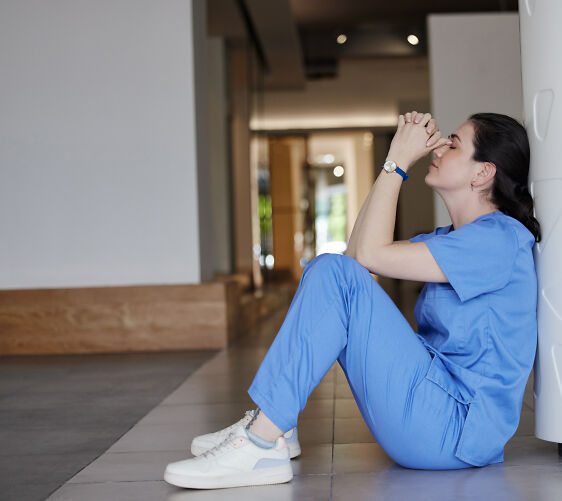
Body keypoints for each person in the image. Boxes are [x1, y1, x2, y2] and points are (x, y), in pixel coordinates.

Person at [163, 111, 541, 490]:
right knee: (332, 271)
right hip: (436, 412)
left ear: (483, 173)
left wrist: (397, 162)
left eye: (454, 143)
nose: (440, 146)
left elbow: (365, 258)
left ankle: (262, 441)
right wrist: (394, 162)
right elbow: (357, 258)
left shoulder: (499, 239)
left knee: (335, 273)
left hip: (455, 428)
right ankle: (276, 424)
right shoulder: (452, 239)